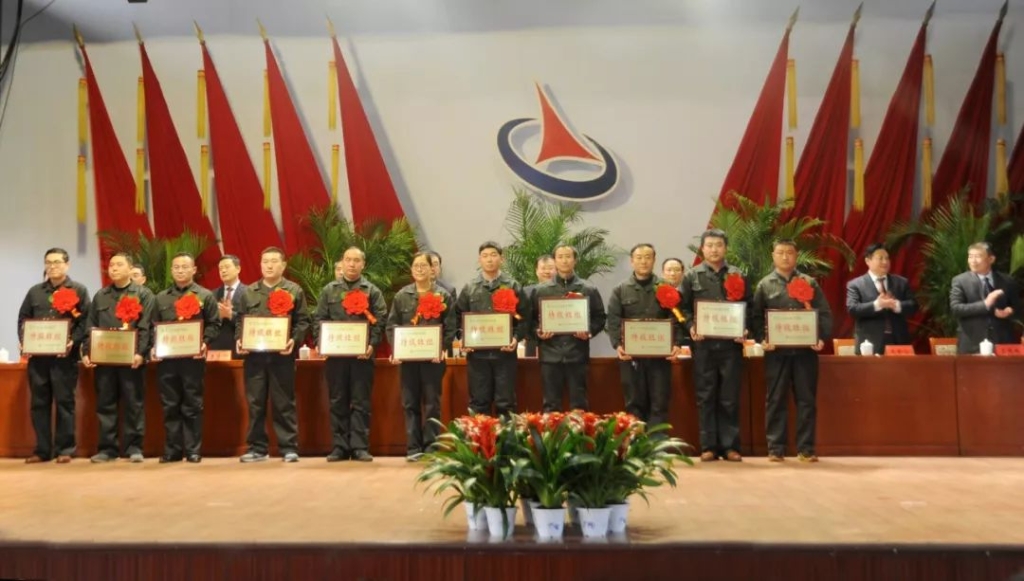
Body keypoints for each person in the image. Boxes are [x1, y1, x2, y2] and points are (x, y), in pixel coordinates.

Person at [750, 239, 832, 463]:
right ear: (773, 256)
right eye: (780, 252)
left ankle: (806, 449)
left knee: (806, 400)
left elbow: (824, 313)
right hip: (776, 353)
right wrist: (763, 339)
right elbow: (756, 317)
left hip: (805, 353)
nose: (785, 256)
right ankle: (776, 448)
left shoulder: (809, 282)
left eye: (789, 252)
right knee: (776, 400)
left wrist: (820, 338)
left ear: (796, 256)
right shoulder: (765, 285)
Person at [680, 229, 750, 462]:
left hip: (731, 347)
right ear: (702, 249)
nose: (714, 249)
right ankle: (708, 446)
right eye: (709, 245)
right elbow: (683, 308)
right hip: (704, 347)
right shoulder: (692, 276)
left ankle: (730, 447)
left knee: (729, 398)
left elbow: (749, 306)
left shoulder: (738, 274)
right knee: (705, 397)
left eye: (718, 245)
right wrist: (690, 325)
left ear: (725, 248)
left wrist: (745, 329)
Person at [235, 247, 310, 463]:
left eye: (274, 261)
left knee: (283, 402)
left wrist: (294, 340)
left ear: (283, 265)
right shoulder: (249, 292)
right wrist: (240, 339)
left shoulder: (294, 290)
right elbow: (240, 320)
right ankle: (257, 448)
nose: (269, 265)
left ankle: (288, 448)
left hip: (282, 357)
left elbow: (303, 321)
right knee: (255, 402)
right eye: (265, 261)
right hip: (255, 357)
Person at [313, 247, 388, 462]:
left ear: (363, 264)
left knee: (361, 401)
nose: (352, 264)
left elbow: (381, 320)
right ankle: (339, 446)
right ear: (342, 262)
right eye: (348, 260)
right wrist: (321, 344)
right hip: (335, 357)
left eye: (356, 260)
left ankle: (359, 446)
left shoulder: (372, 291)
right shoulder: (329, 290)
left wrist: (372, 344)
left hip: (361, 357)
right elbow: (318, 319)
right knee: (337, 401)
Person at [17, 248, 91, 463]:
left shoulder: (79, 290)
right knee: (39, 403)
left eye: (57, 262)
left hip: (65, 359)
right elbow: (23, 319)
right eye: (48, 262)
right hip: (38, 358)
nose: (52, 266)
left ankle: (65, 449)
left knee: (65, 402)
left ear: (67, 265)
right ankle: (42, 450)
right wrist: (24, 339)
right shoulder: (35, 292)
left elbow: (85, 322)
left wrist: (73, 341)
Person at [81, 252, 157, 463]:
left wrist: (140, 353)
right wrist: (87, 352)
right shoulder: (101, 295)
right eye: (111, 265)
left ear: (130, 268)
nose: (113, 268)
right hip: (104, 359)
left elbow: (146, 327)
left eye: (119, 264)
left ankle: (134, 448)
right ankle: (108, 449)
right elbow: (90, 326)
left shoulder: (143, 294)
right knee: (105, 403)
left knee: (134, 404)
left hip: (132, 360)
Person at [605, 243, 685, 430]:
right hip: (631, 358)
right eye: (639, 257)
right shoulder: (621, 290)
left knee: (659, 403)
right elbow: (613, 321)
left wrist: (677, 344)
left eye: (648, 257)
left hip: (660, 359)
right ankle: (637, 444)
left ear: (654, 260)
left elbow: (678, 319)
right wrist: (618, 345)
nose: (643, 261)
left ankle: (657, 444)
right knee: (634, 403)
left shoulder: (666, 288)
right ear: (632, 261)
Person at [386, 252, 457, 461]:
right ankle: (413, 448)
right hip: (408, 360)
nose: (419, 269)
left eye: (423, 266)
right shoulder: (402, 296)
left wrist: (443, 348)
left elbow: (450, 327)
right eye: (416, 266)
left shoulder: (443, 296)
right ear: (411, 270)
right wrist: (396, 349)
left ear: (431, 269)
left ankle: (432, 447)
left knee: (432, 404)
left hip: (433, 360)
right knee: (410, 403)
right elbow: (391, 325)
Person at [151, 252, 220, 463]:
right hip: (167, 361)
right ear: (171, 270)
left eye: (185, 267)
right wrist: (153, 347)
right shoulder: (160, 298)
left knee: (192, 405)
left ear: (194, 270)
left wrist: (204, 342)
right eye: (176, 267)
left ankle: (193, 450)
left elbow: (214, 324)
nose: (180, 270)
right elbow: (153, 326)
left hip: (193, 360)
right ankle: (172, 450)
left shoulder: (205, 296)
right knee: (169, 405)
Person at [453, 241, 530, 417]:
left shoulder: (513, 286)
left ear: (501, 259)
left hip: (505, 355)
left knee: (506, 403)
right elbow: (457, 317)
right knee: (479, 403)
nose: (489, 260)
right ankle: (480, 436)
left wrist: (516, 338)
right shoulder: (470, 288)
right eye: (485, 256)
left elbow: (525, 318)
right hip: (477, 357)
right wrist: (462, 339)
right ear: (479, 260)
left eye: (494, 255)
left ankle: (506, 436)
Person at [532, 244, 605, 411]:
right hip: (550, 355)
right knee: (551, 404)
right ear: (555, 261)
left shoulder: (588, 289)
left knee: (579, 405)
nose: (564, 261)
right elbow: (530, 320)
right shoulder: (541, 290)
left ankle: (578, 429)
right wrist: (538, 331)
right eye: (560, 257)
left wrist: (589, 332)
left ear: (575, 260)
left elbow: (600, 317)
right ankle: (552, 429)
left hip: (577, 354)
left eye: (568, 256)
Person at [950, 242, 1022, 354]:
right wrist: (985, 304)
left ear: (991, 259)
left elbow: (1018, 307)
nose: (973, 261)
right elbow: (956, 309)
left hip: (1002, 343)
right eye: (970, 257)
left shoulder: (1007, 281)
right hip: (972, 345)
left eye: (978, 256)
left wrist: (1010, 311)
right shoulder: (960, 281)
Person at [846, 243, 918, 355]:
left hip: (898, 341)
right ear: (868, 261)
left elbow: (914, 305)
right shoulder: (856, 285)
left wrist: (896, 305)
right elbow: (853, 309)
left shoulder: (901, 282)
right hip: (870, 343)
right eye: (880, 258)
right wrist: (877, 304)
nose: (885, 262)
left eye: (887, 258)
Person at [210, 255, 244, 356]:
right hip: (217, 347)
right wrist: (218, 316)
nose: (223, 271)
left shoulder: (249, 292)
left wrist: (230, 315)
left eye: (227, 267)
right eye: (220, 268)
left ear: (238, 269)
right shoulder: (212, 294)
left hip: (240, 345)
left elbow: (251, 319)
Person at [523, 254, 556, 357]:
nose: (547, 271)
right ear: (536, 271)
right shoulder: (526, 292)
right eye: (543, 268)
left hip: (559, 343)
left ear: (557, 270)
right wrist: (536, 331)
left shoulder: (565, 292)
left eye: (550, 268)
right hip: (533, 341)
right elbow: (522, 319)